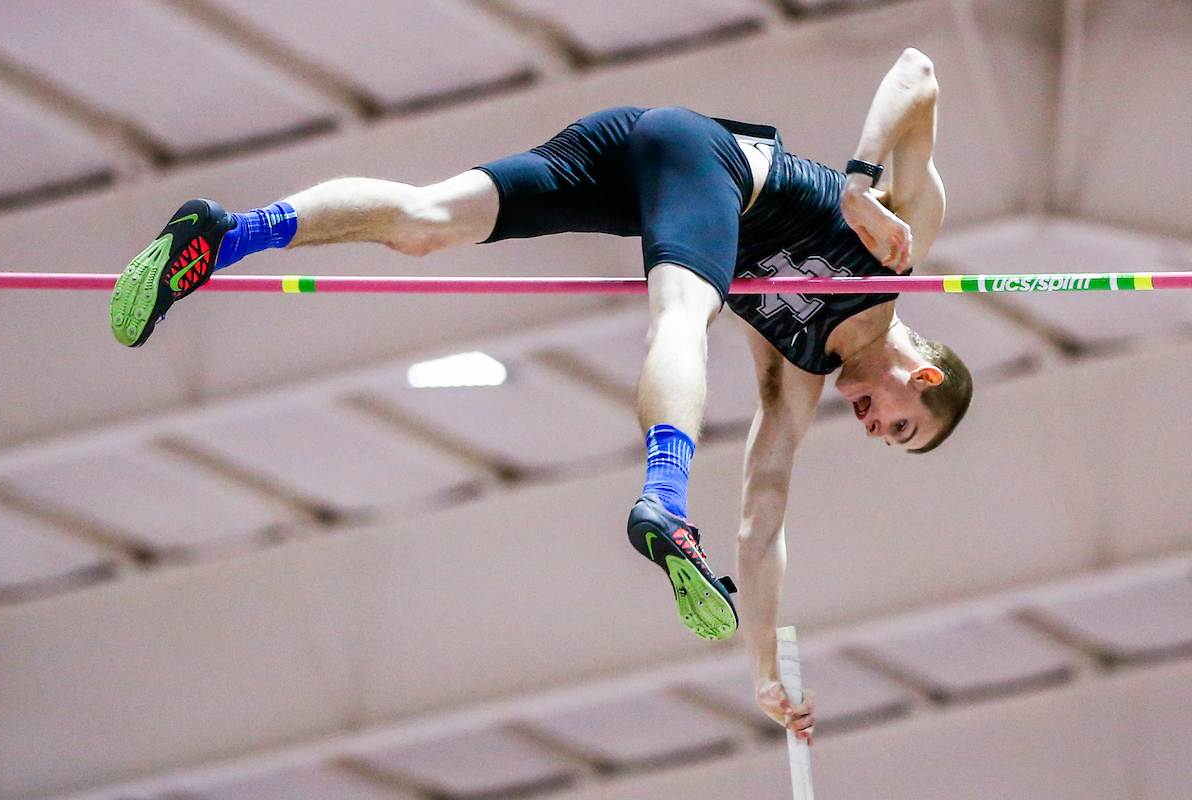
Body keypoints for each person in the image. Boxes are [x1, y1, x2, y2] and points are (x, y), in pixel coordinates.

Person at [111, 48, 971, 740]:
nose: (872, 431)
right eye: (898, 427)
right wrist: (860, 183)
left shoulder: (798, 371)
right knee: (684, 310)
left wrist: (761, 672)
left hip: (638, 153)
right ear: (922, 376)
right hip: (708, 161)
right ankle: (663, 500)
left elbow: (763, 518)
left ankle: (228, 233)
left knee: (426, 221)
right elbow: (917, 72)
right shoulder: (897, 250)